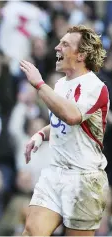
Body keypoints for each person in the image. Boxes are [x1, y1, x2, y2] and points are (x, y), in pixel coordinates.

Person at [20, 25, 110, 236]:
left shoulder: (96, 87)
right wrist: (41, 134)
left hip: (84, 178)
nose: (56, 47)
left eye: (65, 44)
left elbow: (72, 116)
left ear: (81, 55)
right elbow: (62, 124)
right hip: (55, 172)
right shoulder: (60, 84)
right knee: (32, 232)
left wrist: (40, 84)